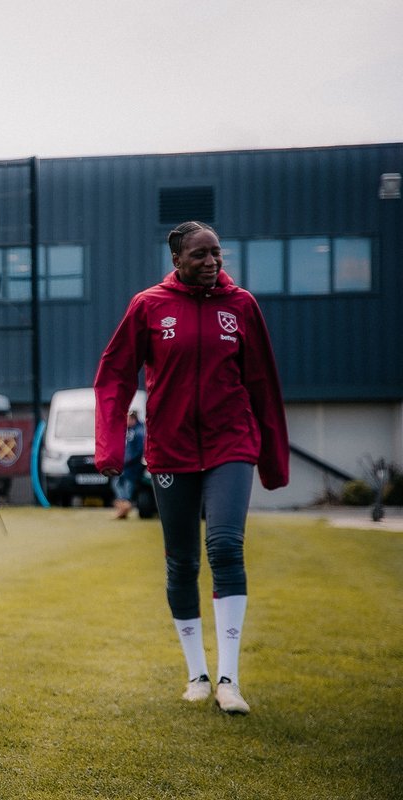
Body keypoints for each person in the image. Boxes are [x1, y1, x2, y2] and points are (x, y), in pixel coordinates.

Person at [94, 220, 289, 715]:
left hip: (231, 442)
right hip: (171, 447)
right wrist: (110, 448)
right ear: (177, 258)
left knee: (225, 546)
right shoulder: (149, 306)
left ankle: (229, 679)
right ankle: (197, 673)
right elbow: (115, 375)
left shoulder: (241, 306)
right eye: (200, 254)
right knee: (182, 561)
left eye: (217, 253)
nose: (212, 262)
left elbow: (263, 382)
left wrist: (272, 459)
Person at [111, 409, 146, 519]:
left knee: (126, 488)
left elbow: (138, 451)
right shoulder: (131, 430)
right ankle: (123, 508)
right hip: (127, 466)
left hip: (133, 467)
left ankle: (125, 507)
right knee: (118, 484)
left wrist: (127, 461)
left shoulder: (139, 432)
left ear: (132, 418)